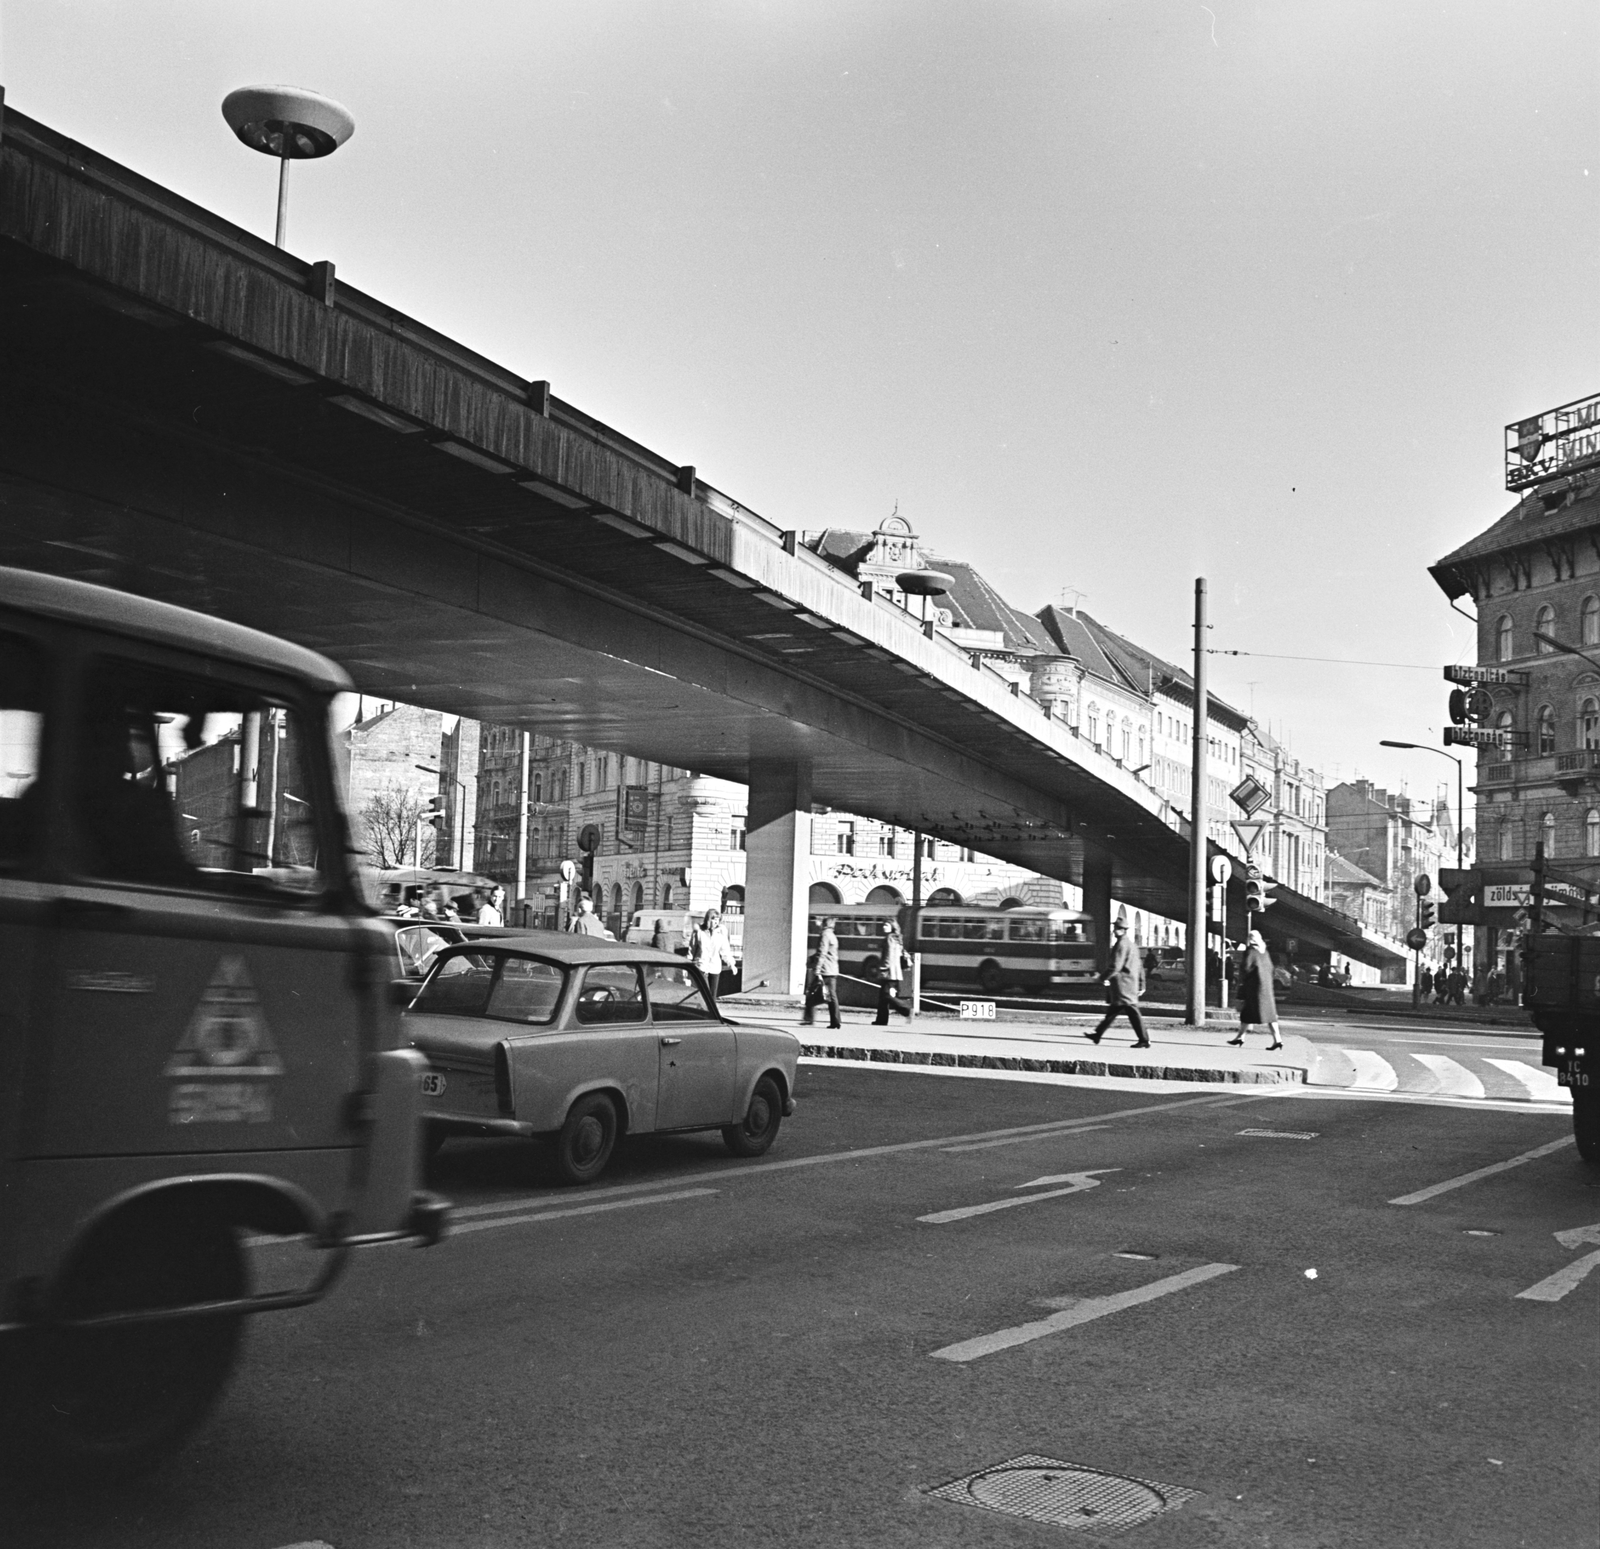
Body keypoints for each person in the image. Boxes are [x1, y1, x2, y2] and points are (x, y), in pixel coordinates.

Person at [1086, 918, 1149, 1049]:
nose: (1114, 930)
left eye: (1116, 928)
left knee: (1131, 1011)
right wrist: (1142, 983)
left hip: (1123, 984)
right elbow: (1139, 966)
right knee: (1114, 1010)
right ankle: (1097, 1034)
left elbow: (1115, 966)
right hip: (1129, 983)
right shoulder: (1132, 945)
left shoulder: (1121, 944)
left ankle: (1144, 1039)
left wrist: (1102, 978)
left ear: (1121, 930)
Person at [1229, 929, 1284, 1050]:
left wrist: (1242, 981)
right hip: (1266, 988)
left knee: (1248, 1012)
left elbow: (1245, 968)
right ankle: (1277, 1039)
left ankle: (1241, 1037)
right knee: (1268, 1015)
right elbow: (1271, 968)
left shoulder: (1251, 951)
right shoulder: (1265, 952)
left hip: (1254, 988)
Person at [801, 916, 842, 1030]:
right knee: (831, 997)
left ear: (824, 924)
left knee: (812, 993)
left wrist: (817, 969)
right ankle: (835, 1021)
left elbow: (822, 953)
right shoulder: (832, 935)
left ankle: (809, 1019)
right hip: (832, 969)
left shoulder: (824, 935)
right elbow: (828, 953)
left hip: (824, 970)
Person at [689, 908, 733, 1009]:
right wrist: (688, 964)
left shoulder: (721, 933)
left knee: (712, 997)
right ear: (708, 919)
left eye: (718, 919)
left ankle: (710, 1016)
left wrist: (731, 963)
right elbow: (692, 948)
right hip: (701, 965)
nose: (716, 922)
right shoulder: (699, 931)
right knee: (704, 993)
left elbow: (725, 951)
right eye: (713, 919)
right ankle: (702, 1013)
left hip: (714, 967)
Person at [874, 920, 911, 1025]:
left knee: (886, 996)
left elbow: (888, 956)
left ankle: (906, 1009)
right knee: (882, 997)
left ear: (892, 926)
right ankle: (881, 1020)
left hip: (889, 972)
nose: (883, 927)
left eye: (886, 925)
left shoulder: (889, 938)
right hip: (895, 972)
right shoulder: (897, 938)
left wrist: (882, 968)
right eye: (883, 925)